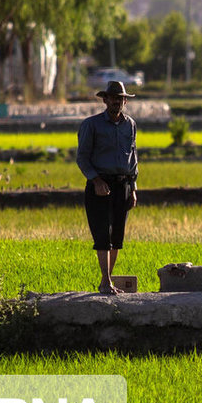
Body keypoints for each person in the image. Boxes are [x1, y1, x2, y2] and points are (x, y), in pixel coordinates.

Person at [77, 81, 139, 294]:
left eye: (121, 98)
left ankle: (108, 280)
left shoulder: (130, 124)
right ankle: (105, 282)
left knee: (117, 237)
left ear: (125, 101)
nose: (118, 102)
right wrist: (96, 181)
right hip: (100, 184)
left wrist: (133, 187)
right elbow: (82, 158)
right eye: (114, 98)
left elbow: (133, 157)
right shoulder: (91, 125)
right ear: (105, 100)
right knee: (102, 234)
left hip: (123, 184)